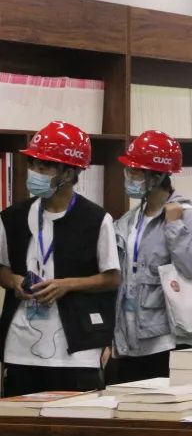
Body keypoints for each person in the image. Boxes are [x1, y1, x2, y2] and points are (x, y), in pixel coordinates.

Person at [0, 121, 120, 396]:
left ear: (69, 172)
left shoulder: (96, 219)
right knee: (18, 422)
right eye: (33, 165)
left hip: (76, 349)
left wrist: (67, 285)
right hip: (19, 347)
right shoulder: (12, 217)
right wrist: (13, 281)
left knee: (76, 421)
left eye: (44, 167)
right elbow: (1, 268)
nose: (35, 173)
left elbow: (112, 278)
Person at [112, 130, 192, 382]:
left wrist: (174, 227)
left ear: (157, 176)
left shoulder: (187, 215)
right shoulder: (129, 219)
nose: (129, 177)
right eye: (128, 170)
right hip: (129, 337)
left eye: (136, 172)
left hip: (167, 338)